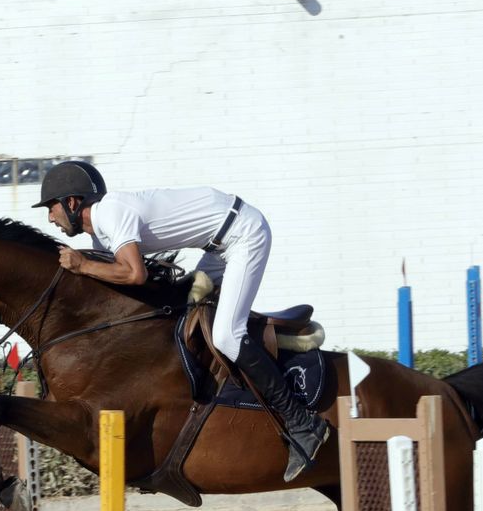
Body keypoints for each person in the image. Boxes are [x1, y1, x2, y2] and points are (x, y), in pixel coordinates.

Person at [32, 159, 329, 482]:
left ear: (72, 203)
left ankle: (302, 423)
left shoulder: (110, 213)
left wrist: (82, 267)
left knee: (228, 336)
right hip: (217, 244)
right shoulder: (101, 237)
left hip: (244, 233)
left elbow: (134, 273)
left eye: (51, 207)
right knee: (186, 312)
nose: (50, 217)